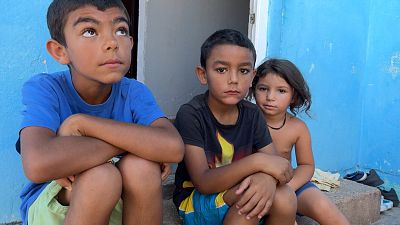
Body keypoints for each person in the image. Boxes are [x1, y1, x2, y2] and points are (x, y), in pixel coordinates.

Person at [17, 1, 184, 225]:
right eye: (90, 31)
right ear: (60, 51)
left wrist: (83, 124)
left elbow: (172, 147)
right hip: (57, 207)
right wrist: (139, 143)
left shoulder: (134, 91)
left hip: (118, 204)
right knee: (102, 177)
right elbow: (37, 164)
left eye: (121, 30)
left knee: (142, 168)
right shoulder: (46, 89)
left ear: (131, 43)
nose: (112, 42)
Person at [173, 29, 297, 225]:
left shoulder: (252, 114)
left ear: (253, 76)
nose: (234, 79)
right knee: (248, 204)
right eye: (222, 70)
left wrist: (267, 180)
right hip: (197, 201)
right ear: (203, 74)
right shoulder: (191, 114)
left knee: (285, 197)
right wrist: (258, 163)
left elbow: (279, 167)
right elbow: (204, 182)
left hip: (240, 190)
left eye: (244, 71)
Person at [250, 58, 349, 225]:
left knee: (327, 210)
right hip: (258, 186)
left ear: (293, 96)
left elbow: (306, 165)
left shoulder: (298, 128)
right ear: (253, 90)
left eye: (281, 91)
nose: (270, 97)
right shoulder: (246, 120)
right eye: (263, 88)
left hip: (290, 183)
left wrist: (290, 188)